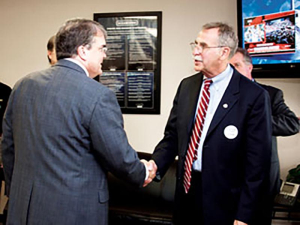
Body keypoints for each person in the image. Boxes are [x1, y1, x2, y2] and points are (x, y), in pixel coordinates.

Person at [2, 18, 155, 225]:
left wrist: (17, 193)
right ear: (83, 51)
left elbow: (8, 147)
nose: (105, 55)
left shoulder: (23, 85)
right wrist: (143, 171)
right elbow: (118, 157)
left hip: (23, 210)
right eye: (102, 48)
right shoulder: (98, 95)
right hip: (72, 212)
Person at [148, 22, 272, 225]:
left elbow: (257, 164)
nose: (195, 51)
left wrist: (244, 215)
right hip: (187, 196)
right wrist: (154, 165)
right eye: (195, 44)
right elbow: (172, 137)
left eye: (203, 46)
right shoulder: (187, 86)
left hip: (226, 203)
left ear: (224, 53)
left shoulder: (254, 97)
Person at [230, 47, 300, 225]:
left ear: (249, 67)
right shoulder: (221, 97)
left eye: (236, 65)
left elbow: (292, 124)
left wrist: (255, 121)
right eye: (229, 67)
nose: (232, 71)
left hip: (262, 181)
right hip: (229, 179)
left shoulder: (270, 94)